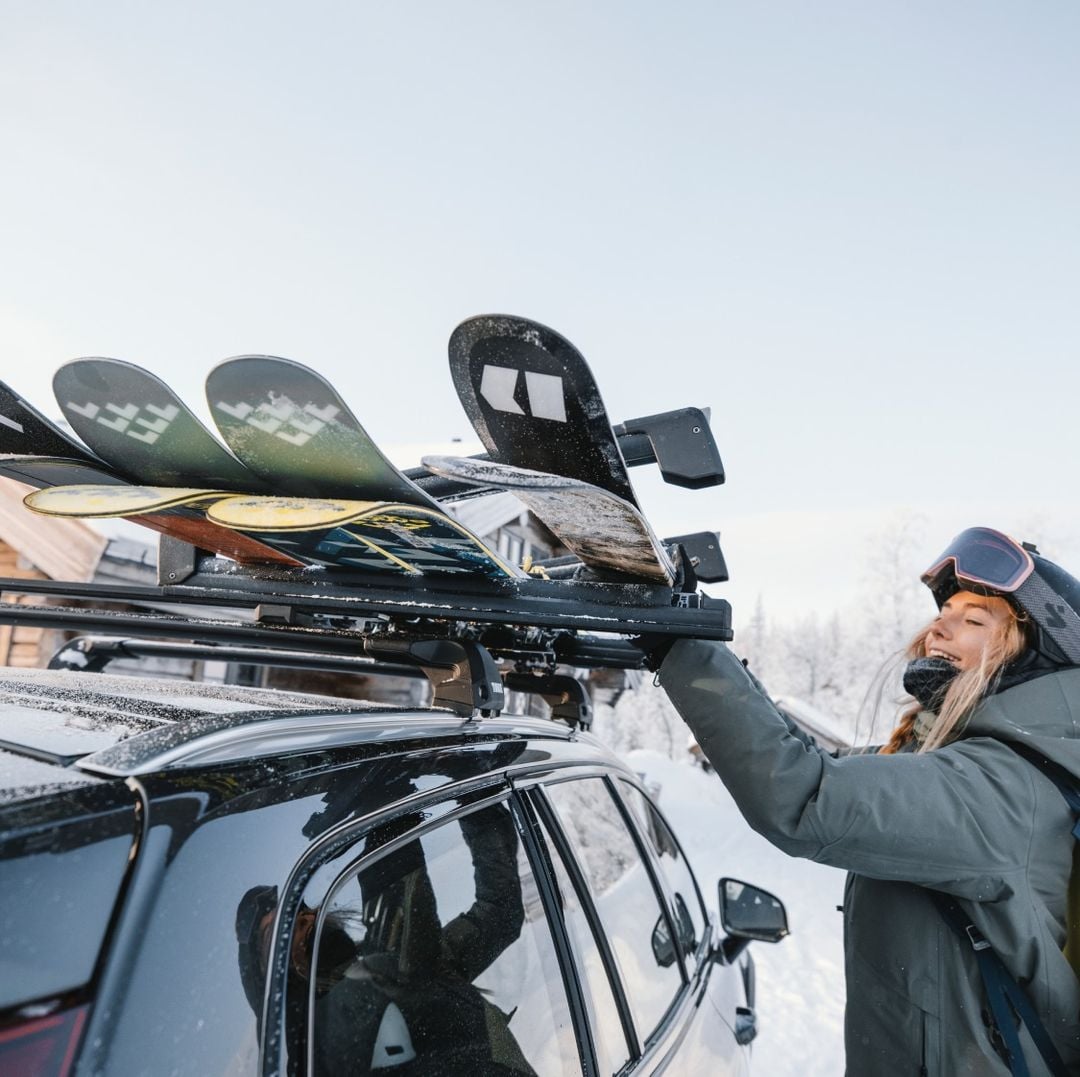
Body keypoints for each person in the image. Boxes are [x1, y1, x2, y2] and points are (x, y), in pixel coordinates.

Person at [650, 527, 1080, 1075]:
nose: (939, 626)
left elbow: (804, 793)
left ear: (1026, 659)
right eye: (946, 610)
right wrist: (698, 636)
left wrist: (682, 647)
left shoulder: (999, 787)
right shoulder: (954, 763)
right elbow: (812, 759)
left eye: (974, 619)